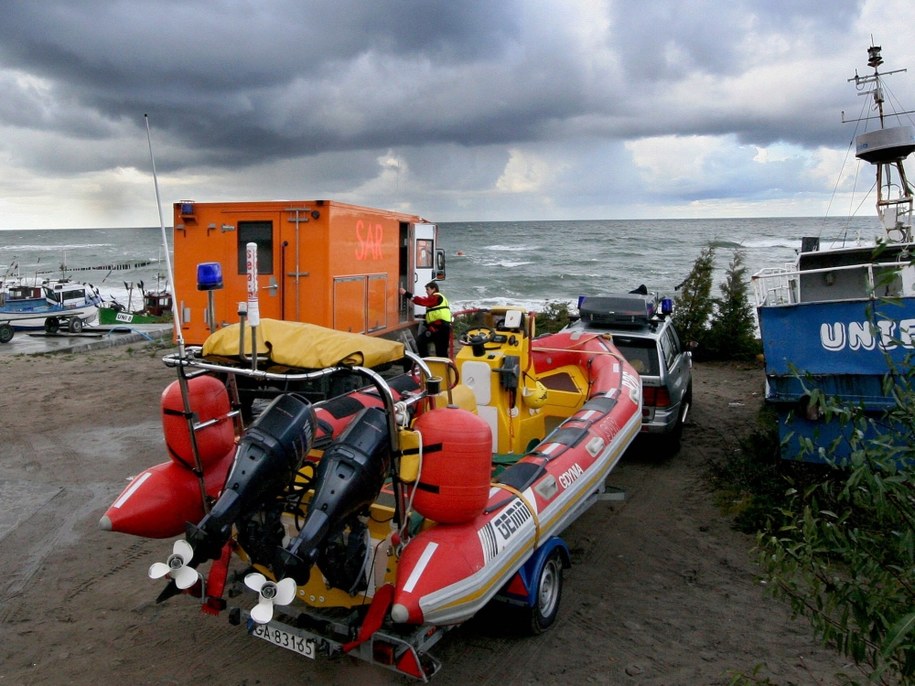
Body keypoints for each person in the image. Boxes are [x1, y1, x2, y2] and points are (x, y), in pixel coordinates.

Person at [399, 281, 453, 357]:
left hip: (439, 328)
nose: (426, 291)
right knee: (441, 352)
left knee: (421, 341)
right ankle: (440, 366)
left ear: (434, 289)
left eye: (428, 289)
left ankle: (425, 361)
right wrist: (423, 316)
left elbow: (422, 301)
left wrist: (406, 293)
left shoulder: (436, 297)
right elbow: (436, 313)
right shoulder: (440, 298)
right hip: (442, 328)